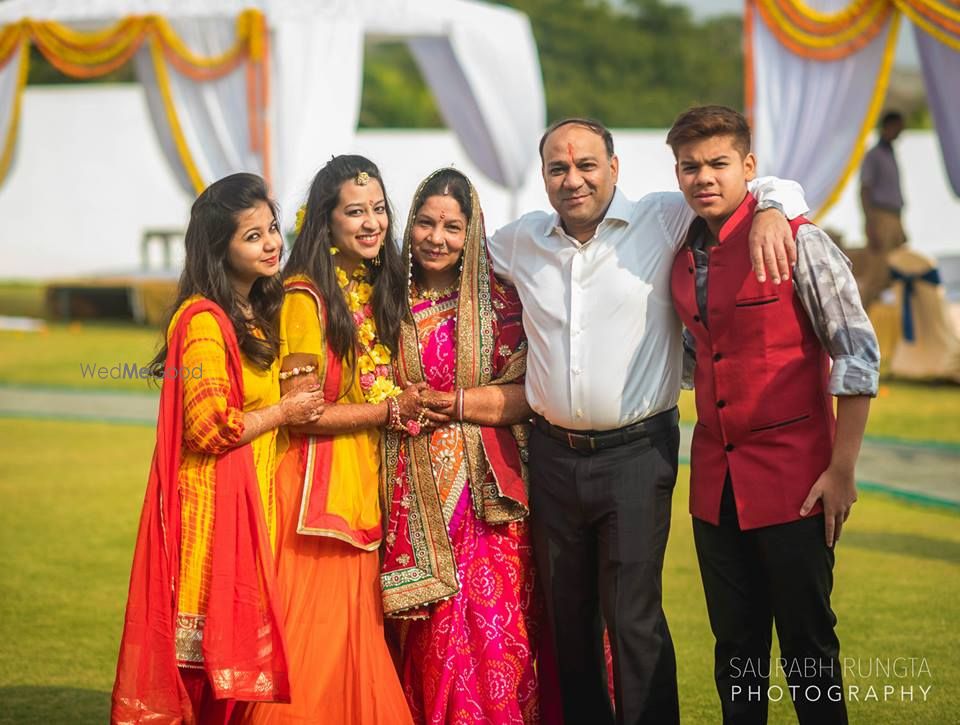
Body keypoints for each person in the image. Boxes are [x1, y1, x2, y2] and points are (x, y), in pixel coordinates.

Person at [487, 117, 809, 724]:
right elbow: (446, 252)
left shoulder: (663, 218)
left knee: (632, 616)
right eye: (559, 168)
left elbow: (752, 184)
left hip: (636, 454)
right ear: (544, 177)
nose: (573, 179)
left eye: (586, 165)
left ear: (614, 167)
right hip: (552, 456)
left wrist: (774, 207)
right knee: (567, 617)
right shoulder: (518, 240)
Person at [667, 105, 879, 724]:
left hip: (797, 480)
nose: (703, 177)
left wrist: (843, 471)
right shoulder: (678, 249)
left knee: (809, 647)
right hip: (713, 485)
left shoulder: (800, 239)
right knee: (736, 651)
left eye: (718, 164)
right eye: (689, 166)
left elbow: (858, 356)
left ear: (749, 168)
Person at [112, 173, 326, 724]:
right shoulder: (206, 321)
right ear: (219, 248)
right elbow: (207, 428)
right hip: (209, 519)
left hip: (250, 508)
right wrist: (285, 411)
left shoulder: (257, 309)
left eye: (273, 228)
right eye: (252, 236)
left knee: (229, 671)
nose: (272, 242)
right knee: (203, 673)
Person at [239, 156, 416, 725]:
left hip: (358, 486)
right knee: (312, 637)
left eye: (380, 209)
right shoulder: (304, 296)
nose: (372, 223)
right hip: (312, 497)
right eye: (355, 211)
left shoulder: (369, 289)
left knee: (350, 634)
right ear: (326, 221)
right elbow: (303, 413)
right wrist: (389, 409)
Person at [379, 168, 551, 724]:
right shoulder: (385, 304)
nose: (437, 237)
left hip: (487, 497)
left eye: (453, 226)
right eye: (426, 223)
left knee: (496, 623)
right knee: (431, 630)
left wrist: (448, 403)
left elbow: (529, 394)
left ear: (472, 232)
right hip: (412, 498)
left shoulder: (503, 304)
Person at [858, 110, 908, 308]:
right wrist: (870, 223)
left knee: (896, 272)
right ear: (888, 127)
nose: (900, 132)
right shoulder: (874, 155)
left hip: (895, 216)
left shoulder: (890, 153)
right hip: (881, 216)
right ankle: (861, 324)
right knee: (877, 274)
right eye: (898, 127)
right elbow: (864, 190)